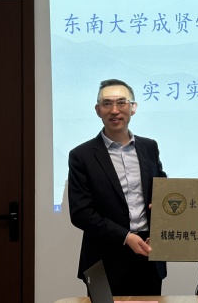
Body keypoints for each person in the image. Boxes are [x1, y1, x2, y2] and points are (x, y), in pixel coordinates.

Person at [68, 78, 167, 296]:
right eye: (107, 104)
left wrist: (162, 217)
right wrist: (126, 236)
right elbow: (81, 213)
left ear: (133, 108)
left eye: (122, 103)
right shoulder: (81, 155)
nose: (115, 110)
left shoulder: (149, 147)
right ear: (98, 110)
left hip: (148, 252)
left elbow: (161, 190)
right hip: (103, 258)